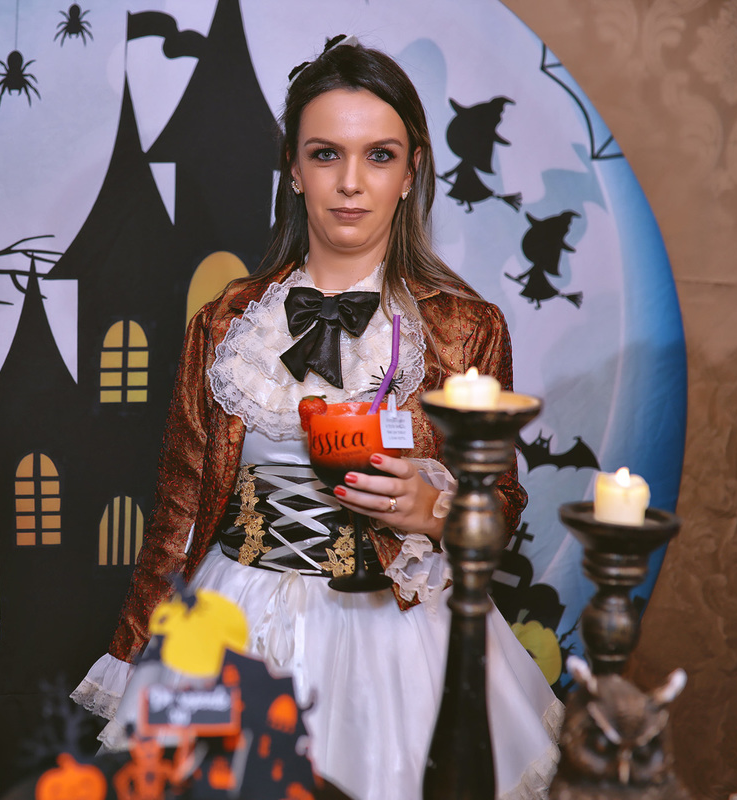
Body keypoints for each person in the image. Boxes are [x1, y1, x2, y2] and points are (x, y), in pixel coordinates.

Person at [72, 39, 560, 800]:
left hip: (397, 637)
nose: (351, 183)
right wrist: (135, 647)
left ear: (412, 171)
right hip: (236, 622)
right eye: (326, 154)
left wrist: (435, 510)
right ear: (294, 170)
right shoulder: (226, 323)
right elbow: (178, 508)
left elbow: (500, 505)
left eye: (379, 156)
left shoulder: (466, 328)